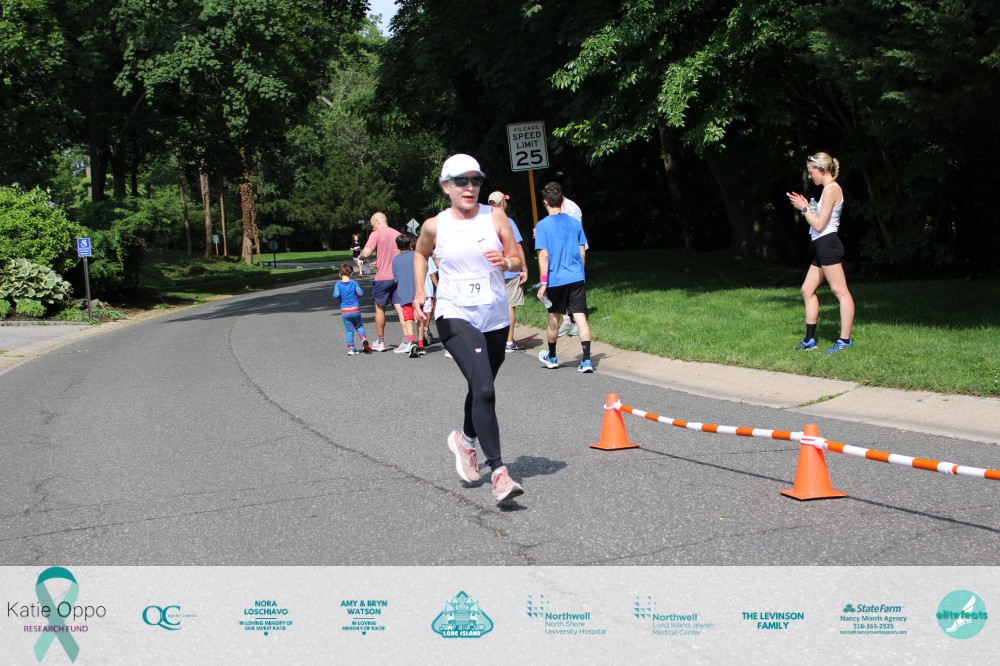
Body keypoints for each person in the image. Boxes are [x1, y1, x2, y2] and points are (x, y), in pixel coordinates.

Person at [413, 154, 525, 503]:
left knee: (480, 386)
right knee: (486, 389)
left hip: (494, 317)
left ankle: (465, 441)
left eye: (476, 180)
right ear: (445, 187)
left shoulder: (496, 217)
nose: (470, 187)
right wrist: (420, 291)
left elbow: (518, 259)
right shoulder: (435, 225)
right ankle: (500, 472)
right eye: (461, 180)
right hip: (454, 314)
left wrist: (506, 261)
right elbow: (420, 253)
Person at [786, 152, 855, 354]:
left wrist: (804, 209)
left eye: (811, 172)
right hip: (822, 246)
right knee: (807, 290)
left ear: (822, 169)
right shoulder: (827, 190)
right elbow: (819, 219)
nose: (809, 176)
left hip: (828, 245)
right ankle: (809, 340)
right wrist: (808, 207)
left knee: (840, 291)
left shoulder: (832, 189)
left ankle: (844, 340)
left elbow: (819, 224)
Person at [535, 181, 594, 372]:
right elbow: (582, 252)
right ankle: (587, 360)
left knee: (554, 317)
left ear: (545, 202)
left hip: (556, 279)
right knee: (581, 317)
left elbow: (544, 256)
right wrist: (581, 274)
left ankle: (552, 357)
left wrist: (543, 283)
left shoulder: (542, 226)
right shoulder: (575, 223)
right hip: (576, 277)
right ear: (562, 201)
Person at [487, 190, 528, 352]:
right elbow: (517, 247)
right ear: (503, 203)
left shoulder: (484, 223)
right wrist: (524, 268)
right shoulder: (507, 221)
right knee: (510, 305)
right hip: (509, 269)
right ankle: (509, 341)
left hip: (491, 270)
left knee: (495, 306)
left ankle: (495, 339)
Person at [358, 212, 402, 351]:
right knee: (400, 307)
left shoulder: (376, 234)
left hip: (383, 278)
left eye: (372, 225)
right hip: (398, 277)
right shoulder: (397, 234)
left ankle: (380, 341)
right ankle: (408, 339)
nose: (372, 228)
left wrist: (360, 256)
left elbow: (366, 253)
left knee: (380, 308)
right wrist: (380, 261)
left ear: (378, 221)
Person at [391, 233, 422, 358]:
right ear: (410, 244)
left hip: (403, 292)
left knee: (408, 319)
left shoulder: (395, 260)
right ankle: (421, 344)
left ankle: (412, 341)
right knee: (419, 318)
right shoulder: (416, 255)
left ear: (397, 246)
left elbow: (396, 279)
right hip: (417, 291)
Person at [557, 191, 583, 337]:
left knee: (574, 288)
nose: (544, 202)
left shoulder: (570, 208)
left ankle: (578, 322)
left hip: (572, 252)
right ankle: (567, 320)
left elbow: (576, 233)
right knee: (563, 286)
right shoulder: (559, 208)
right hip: (563, 252)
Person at [332, 263, 371, 355]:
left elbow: (336, 295)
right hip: (355, 309)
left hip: (345, 311)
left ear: (339, 274)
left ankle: (351, 348)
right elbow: (360, 293)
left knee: (349, 330)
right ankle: (363, 339)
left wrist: (340, 293)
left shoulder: (338, 284)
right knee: (359, 326)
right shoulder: (354, 283)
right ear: (351, 273)